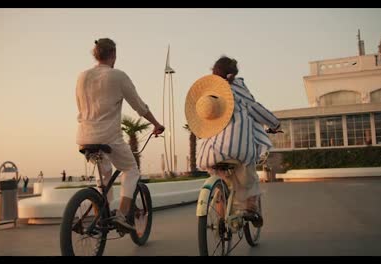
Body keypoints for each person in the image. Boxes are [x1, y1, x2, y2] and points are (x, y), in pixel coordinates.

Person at [75, 37, 164, 231]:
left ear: (96, 55)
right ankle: (122, 215)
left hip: (84, 137)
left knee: (104, 175)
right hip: (109, 137)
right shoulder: (118, 76)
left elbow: (80, 107)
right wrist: (156, 124)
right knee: (131, 170)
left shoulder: (82, 77)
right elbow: (139, 105)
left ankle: (101, 216)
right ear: (113, 55)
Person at [186, 56, 280, 228]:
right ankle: (251, 208)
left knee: (221, 180)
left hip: (209, 153)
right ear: (232, 75)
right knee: (248, 174)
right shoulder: (237, 87)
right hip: (236, 148)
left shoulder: (207, 90)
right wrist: (274, 123)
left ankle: (224, 220)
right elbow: (254, 108)